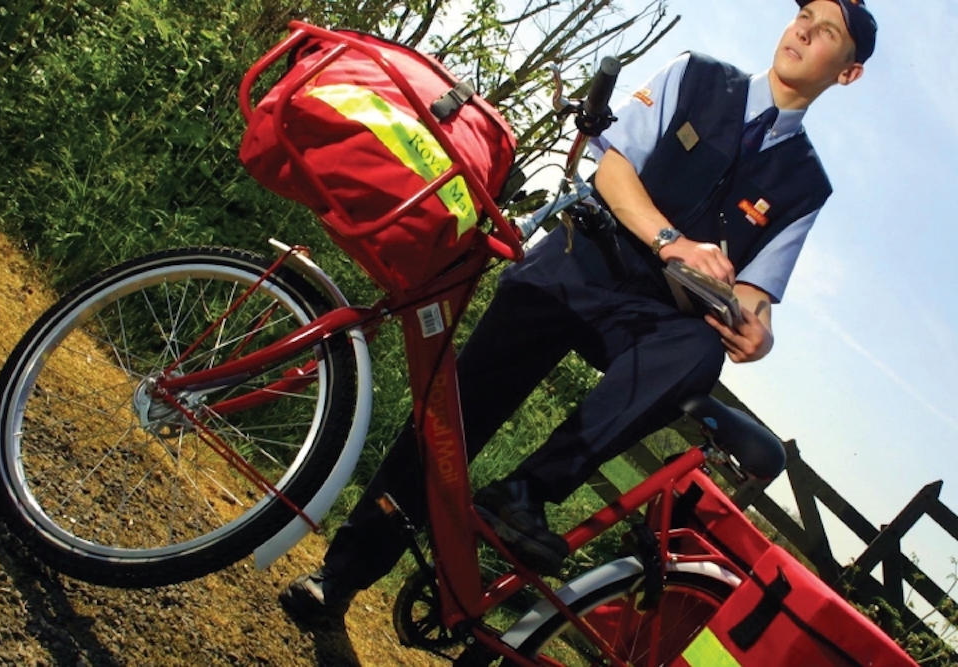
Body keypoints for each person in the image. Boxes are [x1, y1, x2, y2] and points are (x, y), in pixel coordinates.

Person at [280, 0, 876, 621]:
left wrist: (760, 337)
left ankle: (525, 494)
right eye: (804, 12)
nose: (804, 29)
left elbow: (755, 295)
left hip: (652, 320)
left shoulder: (807, 185)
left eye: (828, 30)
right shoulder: (696, 75)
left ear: (848, 72)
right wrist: (673, 243)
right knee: (455, 418)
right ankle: (340, 577)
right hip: (580, 259)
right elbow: (614, 169)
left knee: (700, 353)